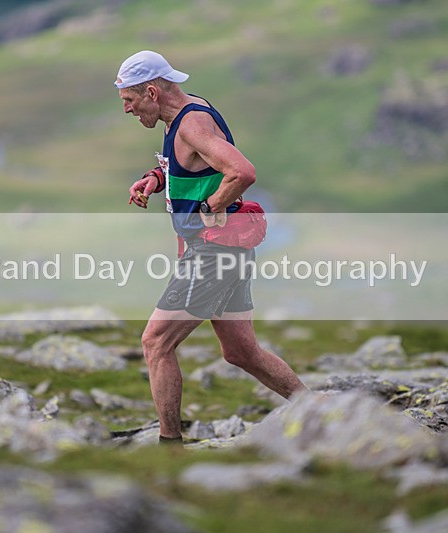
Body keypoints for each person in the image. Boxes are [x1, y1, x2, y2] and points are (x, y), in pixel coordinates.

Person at [115, 50, 307, 445]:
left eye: (129, 102)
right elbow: (197, 164)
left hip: (213, 255)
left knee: (155, 342)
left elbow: (243, 171)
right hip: (226, 252)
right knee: (241, 352)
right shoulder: (188, 112)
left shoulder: (191, 125)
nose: (128, 111)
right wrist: (157, 178)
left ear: (151, 91)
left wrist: (209, 208)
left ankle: (170, 447)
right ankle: (322, 412)